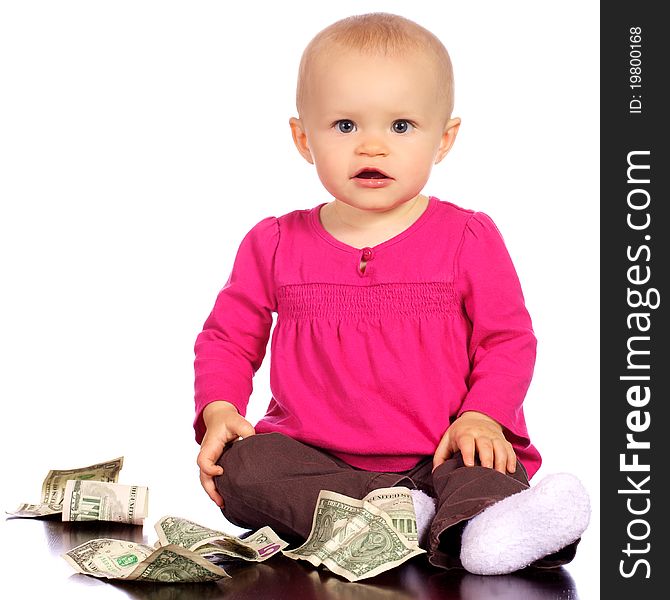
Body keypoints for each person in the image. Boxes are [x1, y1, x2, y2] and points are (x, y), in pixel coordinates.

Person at [193, 12, 590, 575]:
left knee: (482, 468)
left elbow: (507, 339)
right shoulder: (275, 242)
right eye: (345, 126)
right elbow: (227, 337)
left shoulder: (467, 237)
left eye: (401, 126)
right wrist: (219, 407)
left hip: (442, 452)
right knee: (244, 469)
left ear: (443, 139)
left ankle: (487, 526)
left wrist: (482, 415)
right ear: (304, 138)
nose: (373, 147)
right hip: (319, 463)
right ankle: (416, 521)